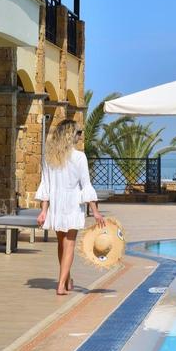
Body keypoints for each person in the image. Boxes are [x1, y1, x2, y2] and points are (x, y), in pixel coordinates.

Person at [36, 120, 105, 295]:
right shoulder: (79, 157)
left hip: (57, 204)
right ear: (70, 135)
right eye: (78, 132)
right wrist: (95, 211)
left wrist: (44, 211)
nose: (80, 136)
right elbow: (86, 185)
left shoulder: (50, 157)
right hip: (72, 203)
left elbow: (46, 185)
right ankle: (61, 285)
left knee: (62, 243)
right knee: (69, 244)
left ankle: (66, 280)